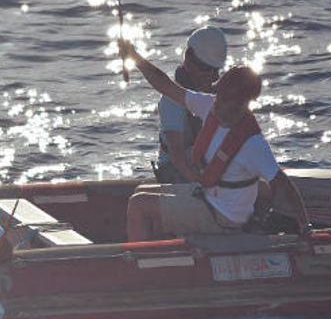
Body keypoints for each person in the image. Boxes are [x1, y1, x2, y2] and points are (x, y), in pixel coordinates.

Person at [118, 39, 310, 241]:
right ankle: (164, 253)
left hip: (223, 217)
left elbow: (283, 185)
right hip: (208, 195)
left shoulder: (253, 144)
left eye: (227, 100)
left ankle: (140, 264)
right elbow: (166, 86)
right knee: (141, 190)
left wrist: (306, 227)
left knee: (138, 205)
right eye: (219, 95)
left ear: (244, 104)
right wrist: (135, 57)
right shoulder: (209, 105)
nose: (218, 104)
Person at [153, 26, 227, 184]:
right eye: (206, 69)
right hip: (175, 171)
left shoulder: (212, 94)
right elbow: (178, 158)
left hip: (204, 163)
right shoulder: (172, 101)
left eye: (216, 70)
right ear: (189, 60)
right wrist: (203, 185)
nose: (213, 77)